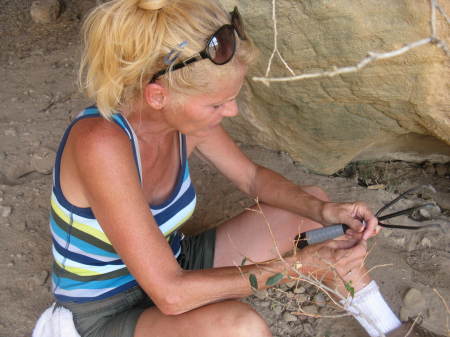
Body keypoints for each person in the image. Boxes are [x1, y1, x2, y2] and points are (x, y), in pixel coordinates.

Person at [41, 0, 415, 336]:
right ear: (159, 96)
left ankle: (388, 328)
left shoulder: (185, 121)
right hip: (104, 311)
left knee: (310, 211)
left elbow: (251, 177)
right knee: (241, 329)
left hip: (174, 263)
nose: (230, 112)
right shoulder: (100, 143)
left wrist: (325, 211)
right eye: (217, 104)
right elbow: (171, 295)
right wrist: (298, 265)